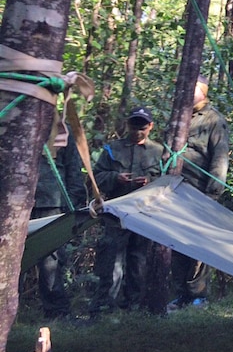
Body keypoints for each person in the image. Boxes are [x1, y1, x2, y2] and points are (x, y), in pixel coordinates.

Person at [90, 107, 166, 315]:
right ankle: (107, 305)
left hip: (144, 213)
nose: (137, 131)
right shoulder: (112, 149)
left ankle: (134, 305)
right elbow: (96, 177)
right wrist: (116, 178)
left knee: (138, 260)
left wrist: (149, 183)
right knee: (112, 259)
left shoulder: (159, 151)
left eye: (142, 127)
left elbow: (167, 182)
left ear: (150, 127)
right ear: (127, 124)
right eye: (134, 126)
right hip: (116, 214)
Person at [170, 76, 231, 310]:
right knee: (177, 243)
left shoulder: (214, 119)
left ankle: (198, 294)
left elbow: (220, 158)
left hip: (200, 193)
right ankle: (180, 293)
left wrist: (213, 193)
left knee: (199, 247)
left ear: (203, 91)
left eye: (193, 87)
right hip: (176, 192)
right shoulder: (181, 116)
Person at [29, 121, 86, 319]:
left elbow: (73, 168)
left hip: (51, 202)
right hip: (15, 201)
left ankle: (57, 312)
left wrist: (74, 205)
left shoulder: (61, 128)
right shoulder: (13, 121)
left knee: (50, 260)